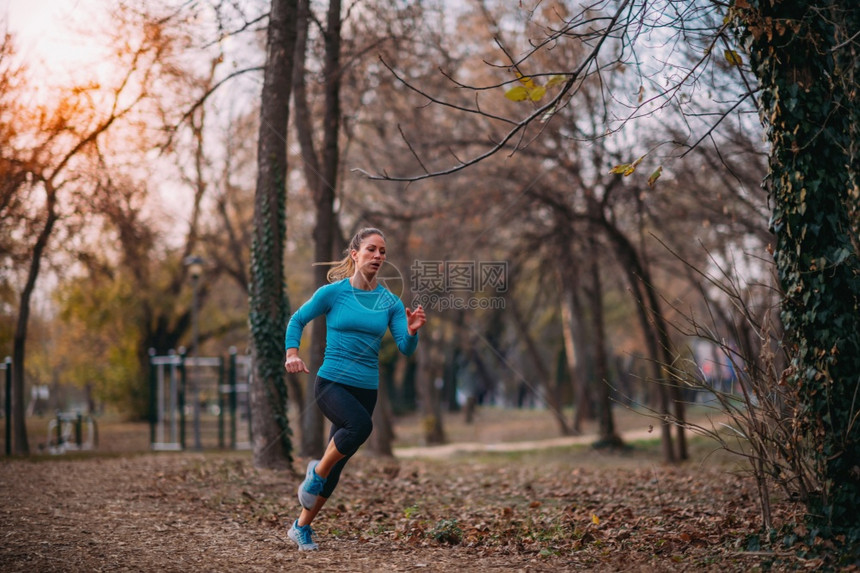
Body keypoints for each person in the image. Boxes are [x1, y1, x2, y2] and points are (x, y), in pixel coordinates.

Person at [283, 227, 426, 551]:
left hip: (366, 389)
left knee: (338, 465)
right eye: (372, 249)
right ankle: (314, 473)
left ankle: (301, 526)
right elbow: (297, 320)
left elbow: (404, 347)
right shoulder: (332, 293)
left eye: (383, 252)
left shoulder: (389, 301)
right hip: (331, 381)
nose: (378, 256)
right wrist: (292, 353)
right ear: (355, 254)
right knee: (359, 426)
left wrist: (413, 331)